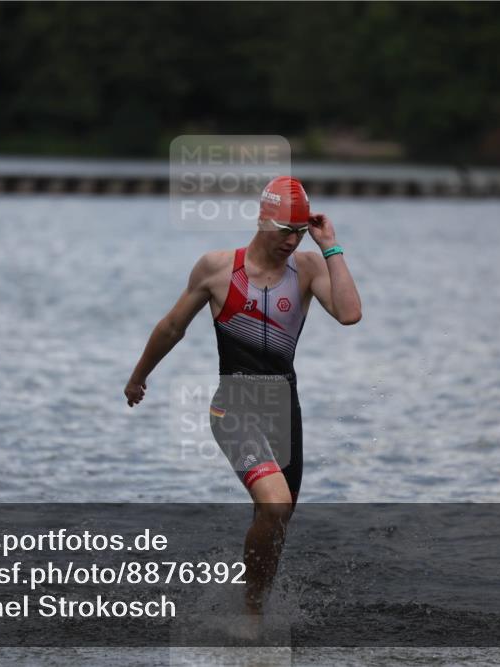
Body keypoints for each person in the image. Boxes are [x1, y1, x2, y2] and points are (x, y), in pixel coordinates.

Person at [124, 176, 362, 624]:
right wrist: (139, 377)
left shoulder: (309, 269)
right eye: (283, 231)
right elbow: (173, 326)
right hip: (233, 405)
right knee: (274, 503)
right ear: (260, 219)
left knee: (277, 519)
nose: (290, 242)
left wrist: (330, 246)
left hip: (283, 408)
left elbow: (350, 313)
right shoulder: (218, 269)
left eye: (298, 232)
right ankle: (251, 614)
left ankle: (254, 607)